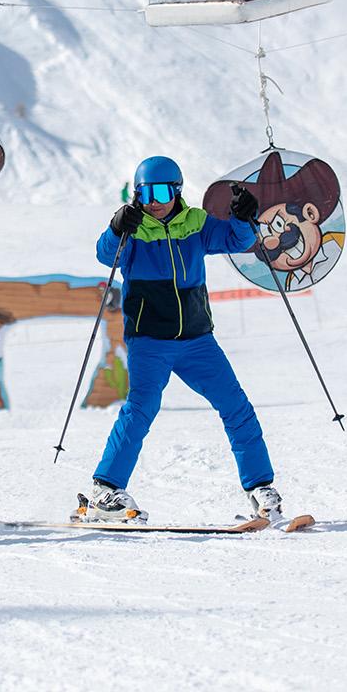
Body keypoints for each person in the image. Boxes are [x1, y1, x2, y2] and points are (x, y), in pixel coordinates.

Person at [85, 155, 283, 523]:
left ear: (177, 191)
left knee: (236, 406)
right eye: (144, 193)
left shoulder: (196, 224)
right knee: (140, 409)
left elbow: (238, 241)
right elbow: (104, 254)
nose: (154, 200)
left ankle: (260, 487)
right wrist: (116, 228)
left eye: (161, 191)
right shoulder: (133, 227)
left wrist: (243, 216)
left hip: (197, 340)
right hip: (150, 341)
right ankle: (105, 489)